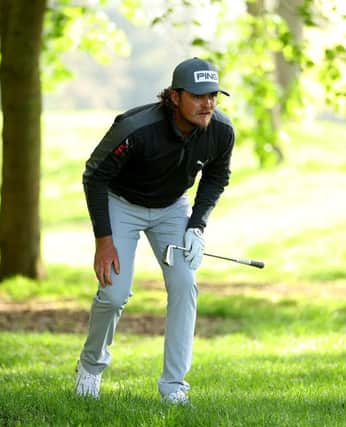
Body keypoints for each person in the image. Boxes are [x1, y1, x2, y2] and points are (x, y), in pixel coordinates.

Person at [74, 57, 235, 404]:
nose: (207, 103)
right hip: (122, 204)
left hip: (172, 209)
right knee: (114, 294)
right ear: (175, 97)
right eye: (197, 95)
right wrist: (104, 241)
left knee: (185, 285)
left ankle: (174, 386)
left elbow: (217, 176)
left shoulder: (221, 131)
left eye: (213, 95)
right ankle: (90, 368)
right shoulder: (135, 128)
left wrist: (197, 226)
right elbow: (95, 175)